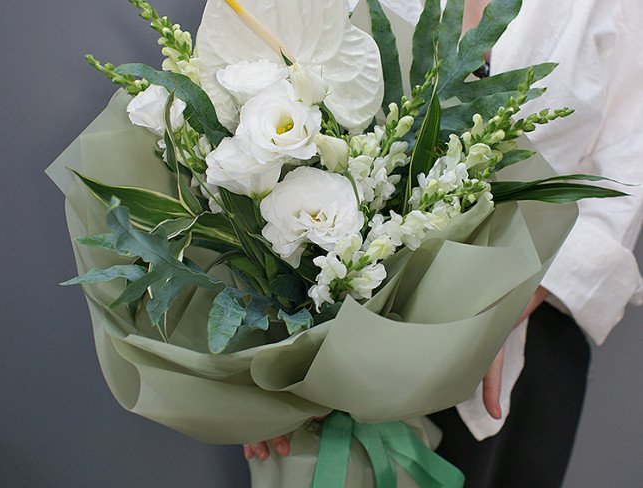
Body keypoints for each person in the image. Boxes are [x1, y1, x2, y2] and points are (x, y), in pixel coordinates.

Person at [245, 1, 643, 486]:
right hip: (322, 336)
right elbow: (240, 111)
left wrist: (493, 313)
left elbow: (625, 176)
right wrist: (246, 372)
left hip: (521, 345)